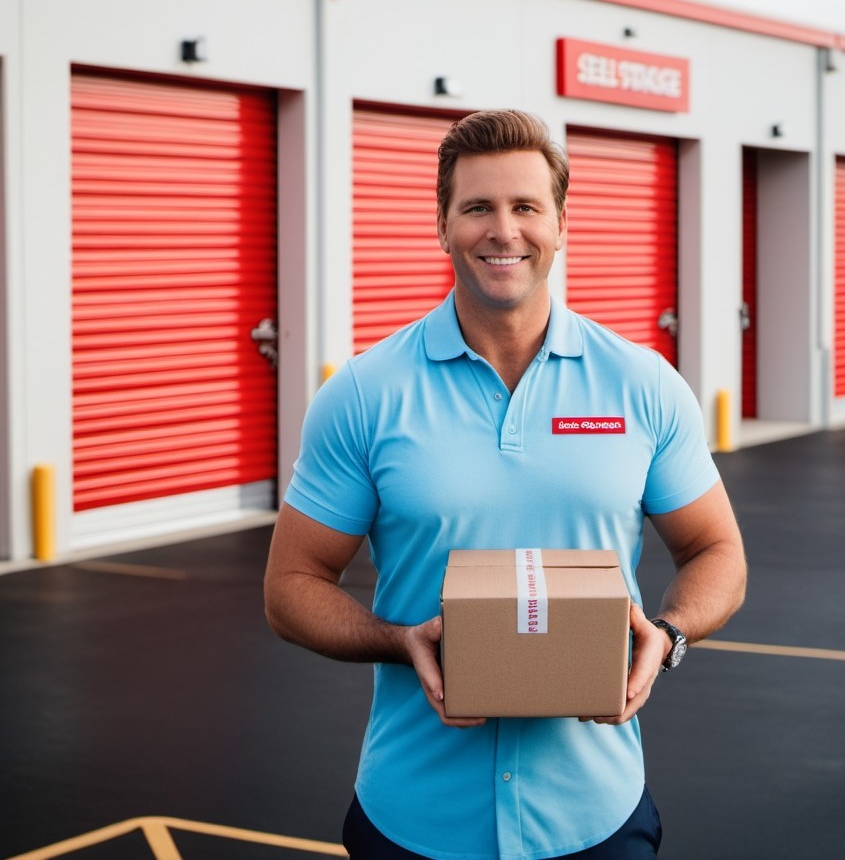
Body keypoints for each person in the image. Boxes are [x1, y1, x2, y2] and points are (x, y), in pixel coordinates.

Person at [264, 109, 747, 859]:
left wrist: (671, 634)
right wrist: (400, 641)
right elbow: (290, 586)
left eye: (526, 207)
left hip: (594, 816)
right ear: (442, 223)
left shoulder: (643, 385)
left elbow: (717, 549)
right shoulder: (365, 394)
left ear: (560, 223)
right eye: (478, 207)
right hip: (415, 816)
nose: (503, 230)